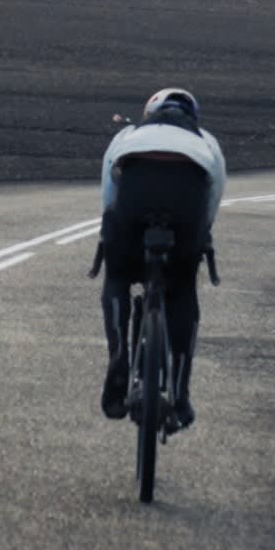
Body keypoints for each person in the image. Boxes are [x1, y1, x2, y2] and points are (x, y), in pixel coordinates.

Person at [93, 87, 226, 432]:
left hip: (134, 197)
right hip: (188, 202)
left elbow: (109, 190)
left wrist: (113, 234)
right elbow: (213, 196)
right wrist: (199, 237)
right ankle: (180, 393)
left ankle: (119, 356)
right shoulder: (205, 140)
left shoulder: (130, 134)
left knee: (119, 276)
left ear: (150, 111)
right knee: (182, 289)